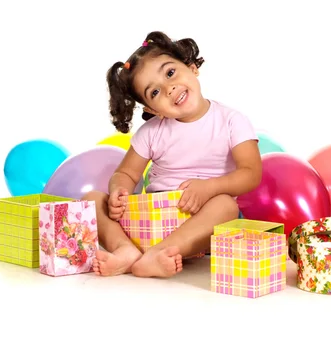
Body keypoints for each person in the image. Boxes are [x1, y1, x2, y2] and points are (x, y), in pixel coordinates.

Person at [82, 31, 262, 278]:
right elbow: (125, 172)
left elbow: (251, 174)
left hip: (200, 224)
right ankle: (125, 250)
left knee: (226, 206)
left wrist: (209, 188)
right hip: (150, 223)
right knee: (92, 198)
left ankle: (162, 252)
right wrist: (118, 192)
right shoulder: (151, 132)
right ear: (151, 109)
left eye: (170, 73)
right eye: (154, 92)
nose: (168, 88)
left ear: (191, 68)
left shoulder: (231, 121)